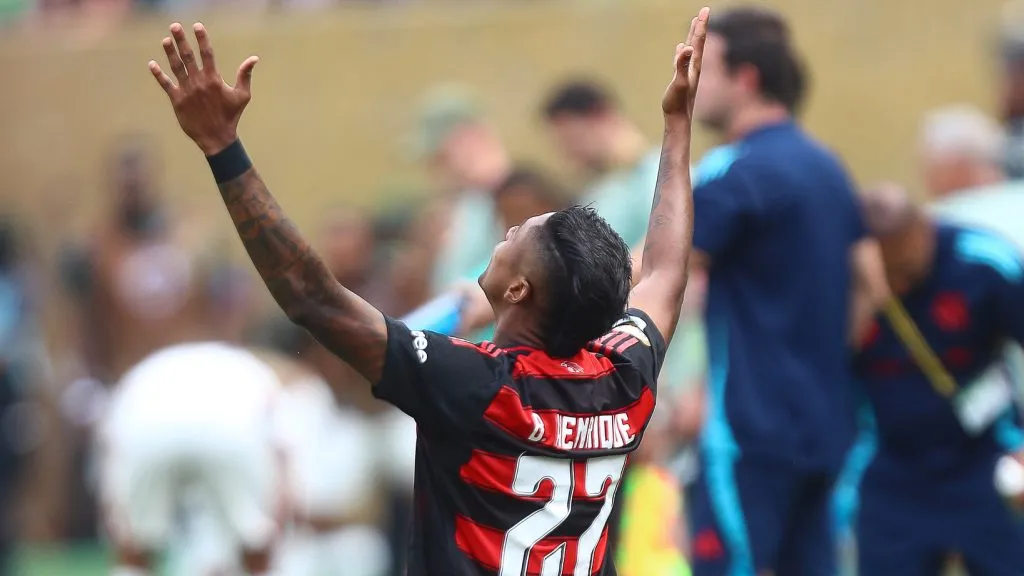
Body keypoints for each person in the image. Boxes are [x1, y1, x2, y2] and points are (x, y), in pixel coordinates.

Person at [146, 6, 708, 573]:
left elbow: (310, 295)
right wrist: (678, 127)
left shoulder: (471, 382)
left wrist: (223, 147)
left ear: (518, 291)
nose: (509, 229)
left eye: (520, 235)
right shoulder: (623, 375)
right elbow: (664, 273)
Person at [651, 6, 885, 575]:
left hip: (749, 434)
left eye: (710, 69)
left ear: (747, 78)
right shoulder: (827, 167)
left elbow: (659, 263)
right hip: (826, 427)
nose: (697, 85)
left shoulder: (736, 169)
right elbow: (872, 286)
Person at [841, 184, 1024, 575]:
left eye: (906, 270)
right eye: (890, 276)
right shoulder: (842, 279)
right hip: (891, 472)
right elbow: (823, 365)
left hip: (987, 461)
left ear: (925, 228)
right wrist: (865, 298)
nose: (901, 287)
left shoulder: (983, 262)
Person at [99, 342, 285, 576]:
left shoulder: (147, 370)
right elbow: (281, 454)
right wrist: (269, 529)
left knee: (135, 548)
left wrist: (121, 528)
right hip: (228, 432)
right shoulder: (260, 373)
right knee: (256, 546)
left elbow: (113, 445)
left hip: (150, 429)